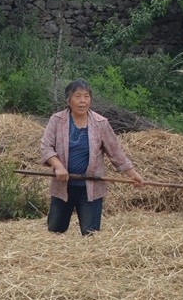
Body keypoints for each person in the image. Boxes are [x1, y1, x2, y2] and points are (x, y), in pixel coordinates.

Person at [39, 79, 145, 235]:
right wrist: (58, 166)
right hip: (63, 185)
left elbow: (115, 152)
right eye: (78, 96)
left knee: (91, 234)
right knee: (55, 230)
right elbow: (45, 146)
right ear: (68, 100)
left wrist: (133, 174)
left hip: (91, 187)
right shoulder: (57, 120)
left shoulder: (100, 123)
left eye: (86, 96)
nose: (82, 101)